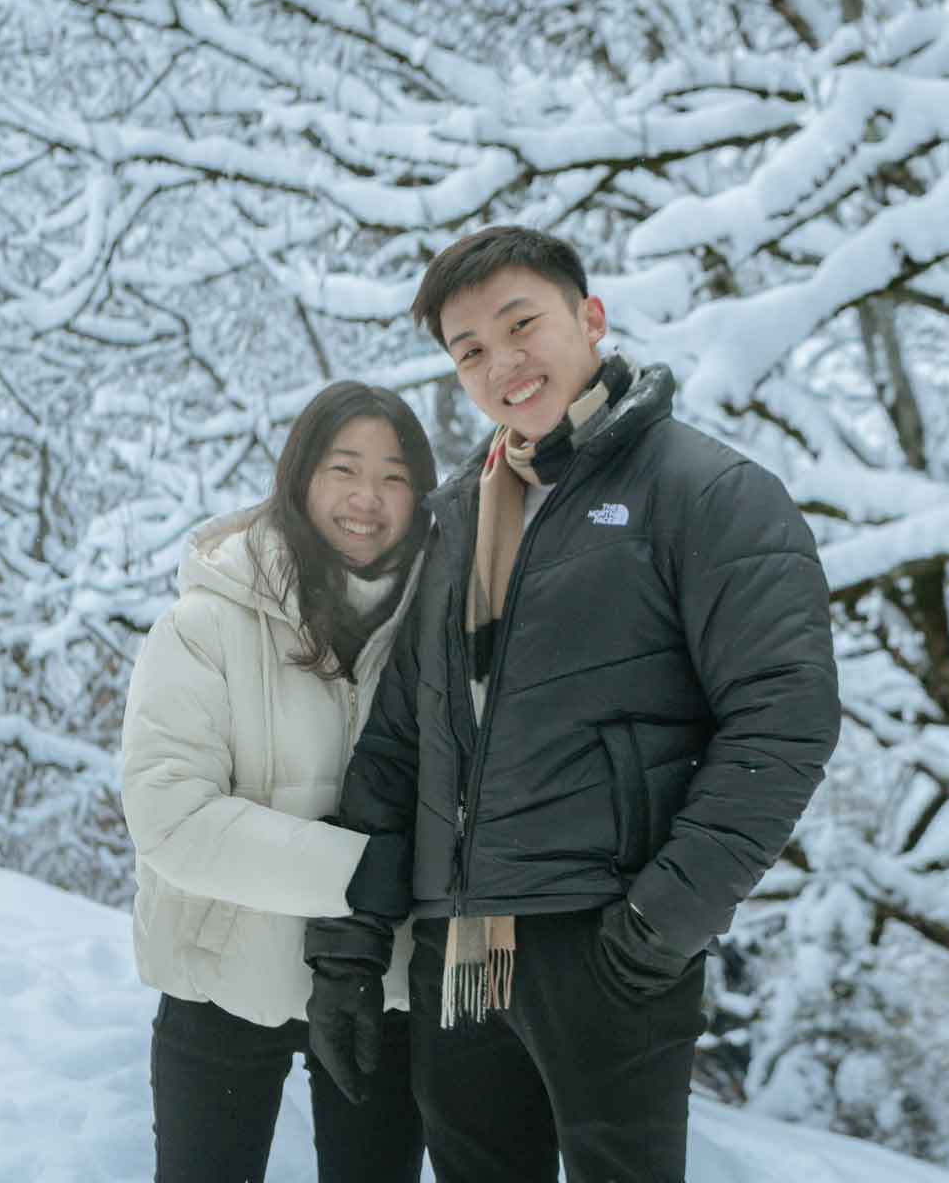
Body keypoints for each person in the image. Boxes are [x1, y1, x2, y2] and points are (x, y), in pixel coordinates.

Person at [304, 227, 840, 1182]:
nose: (501, 365)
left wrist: (663, 921)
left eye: (522, 327)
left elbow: (784, 717)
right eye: (469, 351)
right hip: (461, 948)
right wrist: (349, 955)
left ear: (589, 319)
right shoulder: (456, 518)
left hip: (603, 942)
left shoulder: (708, 493)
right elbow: (397, 746)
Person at [121, 381, 438, 1183]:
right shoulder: (204, 625)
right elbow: (172, 819)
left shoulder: (443, 627)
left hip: (386, 988)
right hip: (221, 982)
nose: (368, 498)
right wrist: (359, 873)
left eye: (396, 475)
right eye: (344, 468)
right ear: (299, 476)